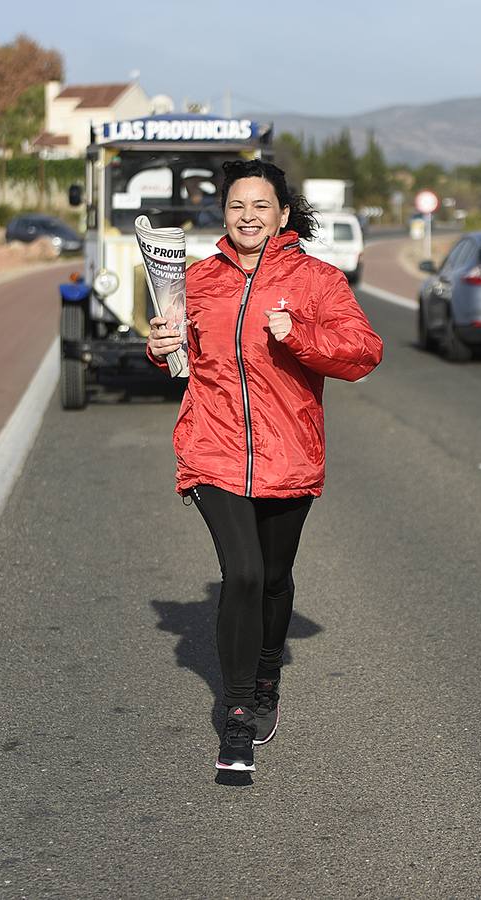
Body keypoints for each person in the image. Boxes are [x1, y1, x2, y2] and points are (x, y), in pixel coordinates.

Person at [146, 159, 383, 773]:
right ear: (222, 213)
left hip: (288, 452)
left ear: (282, 215)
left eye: (260, 207)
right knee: (244, 573)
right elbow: (179, 354)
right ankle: (240, 712)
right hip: (212, 448)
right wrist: (159, 347)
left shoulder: (316, 281)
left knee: (276, 579)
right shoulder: (197, 280)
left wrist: (298, 333)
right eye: (235, 206)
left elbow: (364, 353)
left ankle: (269, 669)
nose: (247, 217)